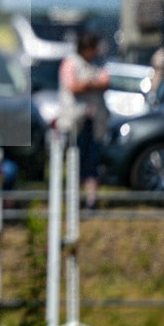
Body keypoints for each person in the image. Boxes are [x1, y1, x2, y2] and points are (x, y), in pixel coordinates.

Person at [57, 31, 110, 210]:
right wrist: (91, 84)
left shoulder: (96, 64)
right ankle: (74, 201)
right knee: (74, 162)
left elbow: (106, 81)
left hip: (93, 122)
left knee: (92, 163)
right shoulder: (70, 63)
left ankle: (91, 201)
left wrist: (88, 83)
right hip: (74, 122)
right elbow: (74, 87)